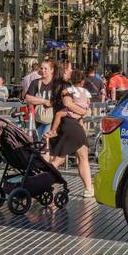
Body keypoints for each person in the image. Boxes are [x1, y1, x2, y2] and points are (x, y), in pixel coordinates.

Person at [47, 67, 95, 196]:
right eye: (68, 69)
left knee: (67, 156)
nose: (70, 70)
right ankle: (44, 181)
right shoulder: (66, 88)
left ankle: (44, 181)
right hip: (71, 124)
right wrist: (84, 111)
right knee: (69, 157)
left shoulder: (62, 87)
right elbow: (69, 104)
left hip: (68, 123)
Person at [25, 58, 57, 140]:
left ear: (52, 70)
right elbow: (28, 98)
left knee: (45, 142)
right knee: (40, 143)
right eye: (42, 68)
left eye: (46, 68)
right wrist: (43, 101)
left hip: (52, 120)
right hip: (39, 120)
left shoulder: (56, 84)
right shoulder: (36, 82)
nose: (43, 70)